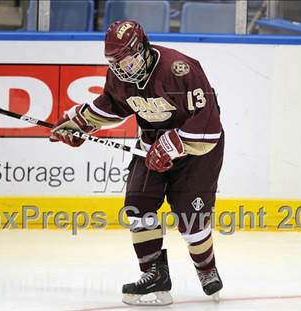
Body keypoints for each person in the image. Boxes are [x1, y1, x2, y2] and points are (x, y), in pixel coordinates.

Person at [50, 20, 224, 306]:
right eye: (116, 63)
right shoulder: (119, 76)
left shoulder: (178, 69)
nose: (123, 68)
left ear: (142, 47)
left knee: (191, 219)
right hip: (151, 146)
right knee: (138, 203)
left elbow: (209, 122)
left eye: (128, 59)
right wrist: (78, 123)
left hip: (195, 149)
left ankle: (206, 269)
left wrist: (174, 143)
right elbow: (112, 103)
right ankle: (154, 274)